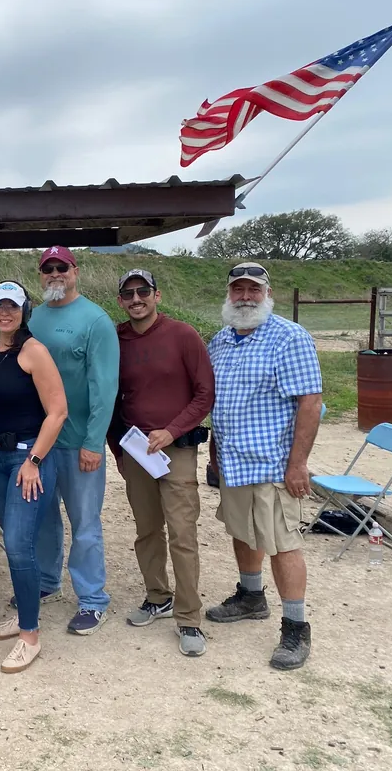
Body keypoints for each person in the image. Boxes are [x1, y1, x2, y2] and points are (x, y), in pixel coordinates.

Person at [206, 262, 322, 670]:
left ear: (267, 293)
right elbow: (216, 404)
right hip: (234, 463)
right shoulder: (220, 341)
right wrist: (214, 453)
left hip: (273, 465)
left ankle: (295, 627)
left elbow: (311, 402)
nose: (245, 297)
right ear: (228, 294)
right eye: (238, 289)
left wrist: (298, 464)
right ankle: (251, 597)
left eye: (253, 290)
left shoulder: (289, 338)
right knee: (243, 532)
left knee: (282, 543)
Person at [109, 269, 215, 657]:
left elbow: (205, 393)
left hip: (177, 449)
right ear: (120, 300)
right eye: (128, 294)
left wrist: (172, 431)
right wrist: (118, 451)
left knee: (182, 533)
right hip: (136, 451)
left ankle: (189, 618)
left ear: (157, 295)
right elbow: (110, 397)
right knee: (146, 530)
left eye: (143, 292)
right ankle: (158, 596)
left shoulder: (183, 335)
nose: (136, 299)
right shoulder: (116, 340)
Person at [0, 281, 67, 673]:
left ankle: (30, 633)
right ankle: (24, 611)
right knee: (15, 541)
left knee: (16, 543)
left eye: (12, 306)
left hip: (26, 459)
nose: (5, 313)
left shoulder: (35, 352)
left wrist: (35, 460)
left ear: (24, 310)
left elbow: (57, 412)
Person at [27, 246, 118, 635]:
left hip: (78, 440)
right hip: (38, 444)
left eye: (61, 267)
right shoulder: (32, 318)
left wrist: (94, 442)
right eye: (47, 269)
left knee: (84, 524)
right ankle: (47, 582)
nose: (54, 274)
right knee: (43, 520)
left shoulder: (95, 320)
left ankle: (93, 599)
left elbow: (105, 387)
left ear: (75, 271)